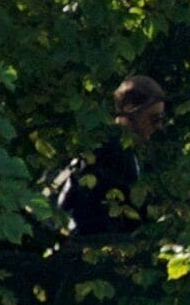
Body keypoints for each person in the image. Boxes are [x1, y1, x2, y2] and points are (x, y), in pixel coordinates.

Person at [56, 75, 165, 238]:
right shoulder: (110, 149)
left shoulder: (116, 146)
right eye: (154, 118)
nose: (159, 126)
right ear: (129, 110)